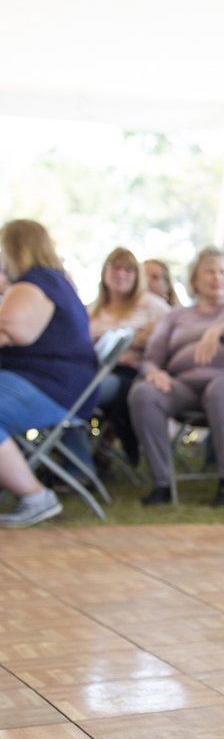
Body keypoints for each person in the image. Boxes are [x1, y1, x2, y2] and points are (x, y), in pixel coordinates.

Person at [128, 247, 224, 508]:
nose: (217, 278)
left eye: (223, 272)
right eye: (210, 271)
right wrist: (154, 372)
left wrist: (218, 329)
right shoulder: (175, 317)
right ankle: (162, 483)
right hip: (186, 387)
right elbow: (151, 358)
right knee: (143, 393)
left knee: (220, 388)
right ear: (194, 279)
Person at [0, 220, 99, 528]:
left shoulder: (36, 282)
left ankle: (36, 497)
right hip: (53, 383)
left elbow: (12, 330)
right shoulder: (53, 281)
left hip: (51, 387)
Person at [88, 247, 171, 468]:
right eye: (115, 267)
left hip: (132, 372)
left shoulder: (151, 305)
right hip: (92, 368)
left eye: (128, 269)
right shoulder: (91, 310)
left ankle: (92, 458)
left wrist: (139, 340)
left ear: (137, 276)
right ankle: (79, 457)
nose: (121, 274)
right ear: (105, 271)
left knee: (83, 391)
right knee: (74, 387)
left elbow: (172, 335)